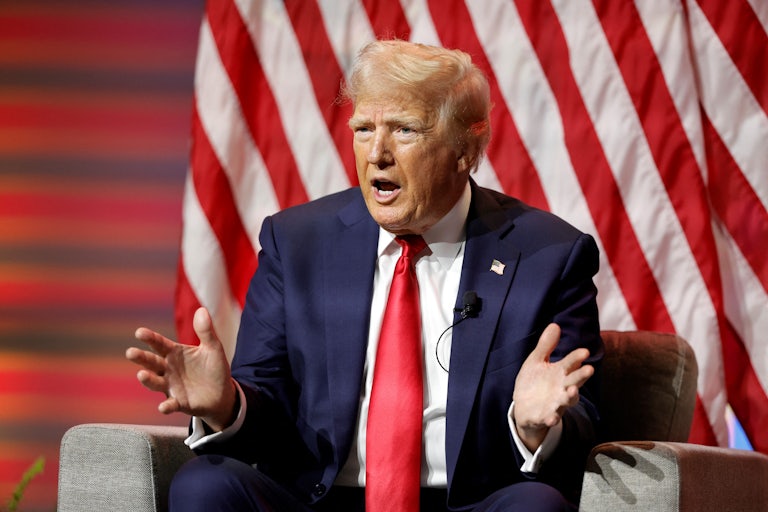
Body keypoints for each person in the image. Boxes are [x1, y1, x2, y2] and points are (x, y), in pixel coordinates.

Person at [127, 39, 603, 511]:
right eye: (363, 128)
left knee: (535, 505)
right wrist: (226, 405)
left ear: (465, 146)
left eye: (405, 130)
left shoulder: (548, 255)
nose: (377, 153)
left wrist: (532, 425)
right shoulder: (296, 243)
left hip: (466, 502)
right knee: (205, 485)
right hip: (321, 499)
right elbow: (266, 404)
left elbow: (585, 415)